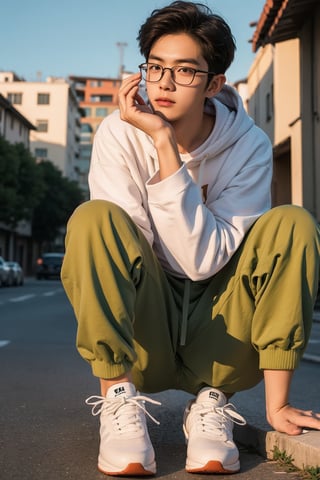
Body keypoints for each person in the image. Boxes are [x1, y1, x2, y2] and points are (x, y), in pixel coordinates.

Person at [61, 1, 320, 476]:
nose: (163, 82)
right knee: (95, 219)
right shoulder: (117, 135)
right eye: (155, 67)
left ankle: (214, 403)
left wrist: (164, 147)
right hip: (146, 338)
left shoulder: (249, 146)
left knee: (293, 223)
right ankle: (119, 403)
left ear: (214, 84)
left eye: (184, 71)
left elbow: (201, 262)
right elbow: (125, 250)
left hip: (222, 338)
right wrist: (155, 139)